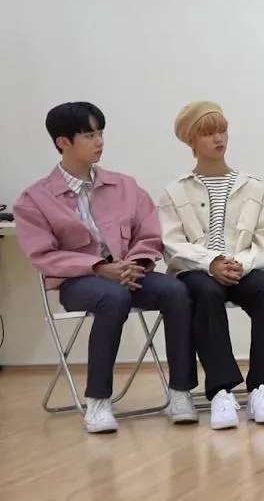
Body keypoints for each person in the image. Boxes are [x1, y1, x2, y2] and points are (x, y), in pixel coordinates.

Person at [14, 102, 198, 434]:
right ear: (63, 142)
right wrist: (98, 267)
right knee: (113, 298)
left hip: (130, 272)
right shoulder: (34, 200)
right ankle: (98, 400)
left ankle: (180, 393)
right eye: (89, 135)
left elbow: (150, 233)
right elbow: (43, 255)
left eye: (100, 133)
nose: (99, 141)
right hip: (79, 282)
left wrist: (134, 264)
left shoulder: (125, 186)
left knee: (176, 290)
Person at [158, 102, 264, 429]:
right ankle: (221, 391)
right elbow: (172, 244)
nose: (219, 139)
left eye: (222, 131)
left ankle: (262, 388)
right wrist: (211, 262)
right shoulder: (174, 191)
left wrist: (238, 263)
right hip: (197, 270)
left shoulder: (254, 187)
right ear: (191, 140)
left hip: (242, 266)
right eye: (208, 133)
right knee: (206, 293)